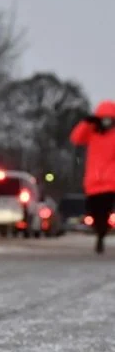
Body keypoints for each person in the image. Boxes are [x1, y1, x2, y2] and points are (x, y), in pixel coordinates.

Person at [70, 100, 115, 254]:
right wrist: (85, 123)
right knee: (94, 212)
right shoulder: (91, 132)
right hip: (93, 182)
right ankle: (100, 232)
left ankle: (101, 234)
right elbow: (76, 138)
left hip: (110, 182)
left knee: (105, 211)